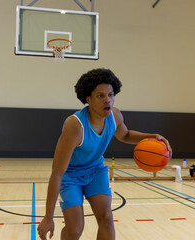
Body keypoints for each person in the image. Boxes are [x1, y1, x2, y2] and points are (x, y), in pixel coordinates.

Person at [37, 68, 172, 240]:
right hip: (70, 176)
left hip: (96, 171)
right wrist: (48, 217)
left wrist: (151, 136)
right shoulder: (75, 126)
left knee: (106, 219)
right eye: (100, 96)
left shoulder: (114, 116)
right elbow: (57, 172)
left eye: (110, 94)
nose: (107, 100)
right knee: (75, 229)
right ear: (89, 99)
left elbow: (125, 135)